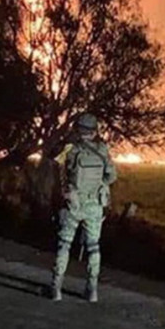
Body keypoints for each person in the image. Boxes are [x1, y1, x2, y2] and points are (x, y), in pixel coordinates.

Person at [50, 113, 117, 303]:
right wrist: (99, 186)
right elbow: (111, 176)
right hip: (95, 205)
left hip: (73, 203)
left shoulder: (70, 149)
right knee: (93, 247)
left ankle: (56, 289)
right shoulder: (102, 150)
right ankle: (92, 291)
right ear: (94, 131)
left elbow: (54, 162)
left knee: (64, 245)